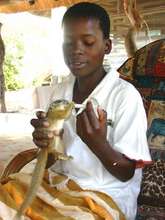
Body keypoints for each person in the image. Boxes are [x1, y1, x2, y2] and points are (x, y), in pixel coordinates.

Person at [0, 2, 151, 220]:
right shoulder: (60, 92)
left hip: (104, 195)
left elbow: (126, 173)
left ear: (107, 46)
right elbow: (54, 161)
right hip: (58, 184)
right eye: (68, 43)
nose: (76, 50)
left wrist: (98, 143)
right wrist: (47, 142)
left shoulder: (125, 97)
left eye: (88, 42)